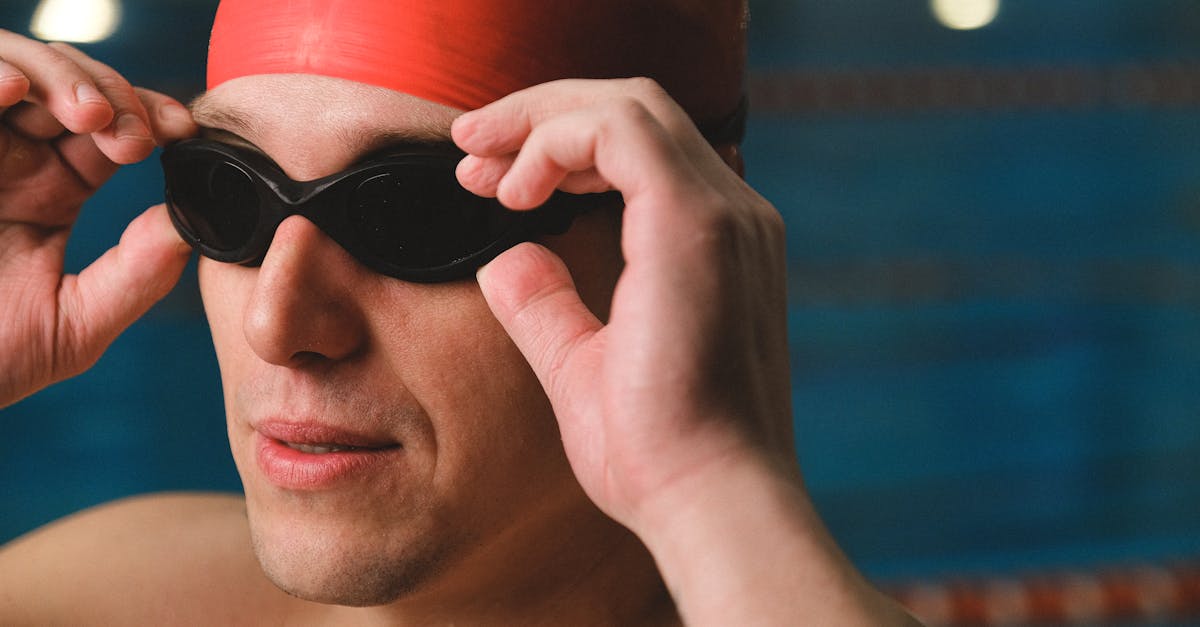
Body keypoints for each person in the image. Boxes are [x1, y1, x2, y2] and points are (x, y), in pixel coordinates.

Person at [0, 1, 920, 624]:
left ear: (672, 231)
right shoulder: (112, 593)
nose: (277, 325)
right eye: (228, 194)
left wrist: (711, 492)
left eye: (414, 212)